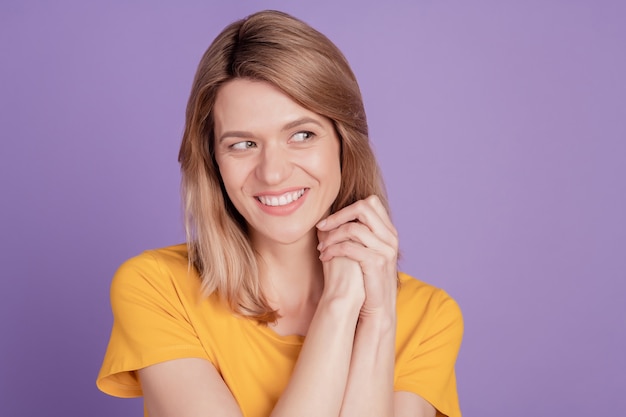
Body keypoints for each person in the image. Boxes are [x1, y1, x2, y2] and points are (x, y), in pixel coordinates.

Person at [97, 9, 463, 417]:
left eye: (301, 135)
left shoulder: (428, 317)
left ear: (344, 143)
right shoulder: (157, 290)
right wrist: (340, 304)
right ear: (213, 159)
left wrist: (376, 322)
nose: (273, 172)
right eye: (243, 144)